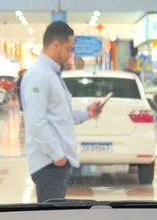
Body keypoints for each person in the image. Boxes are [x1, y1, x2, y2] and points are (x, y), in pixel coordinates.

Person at [23, 21, 105, 203]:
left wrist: (87, 113)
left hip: (56, 163)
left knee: (55, 214)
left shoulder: (52, 74)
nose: (70, 54)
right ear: (55, 45)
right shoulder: (39, 75)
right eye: (68, 49)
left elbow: (61, 116)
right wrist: (57, 156)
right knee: (51, 217)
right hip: (49, 164)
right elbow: (36, 121)